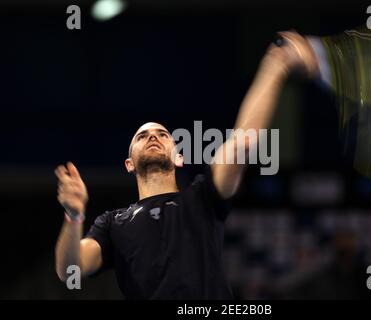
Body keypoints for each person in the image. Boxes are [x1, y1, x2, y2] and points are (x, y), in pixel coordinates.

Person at [54, 31, 319, 299]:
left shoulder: (202, 198)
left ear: (179, 157)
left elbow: (242, 143)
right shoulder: (112, 224)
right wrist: (74, 216)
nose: (153, 137)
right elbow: (70, 271)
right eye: (142, 136)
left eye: (162, 134)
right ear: (129, 163)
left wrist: (275, 66)